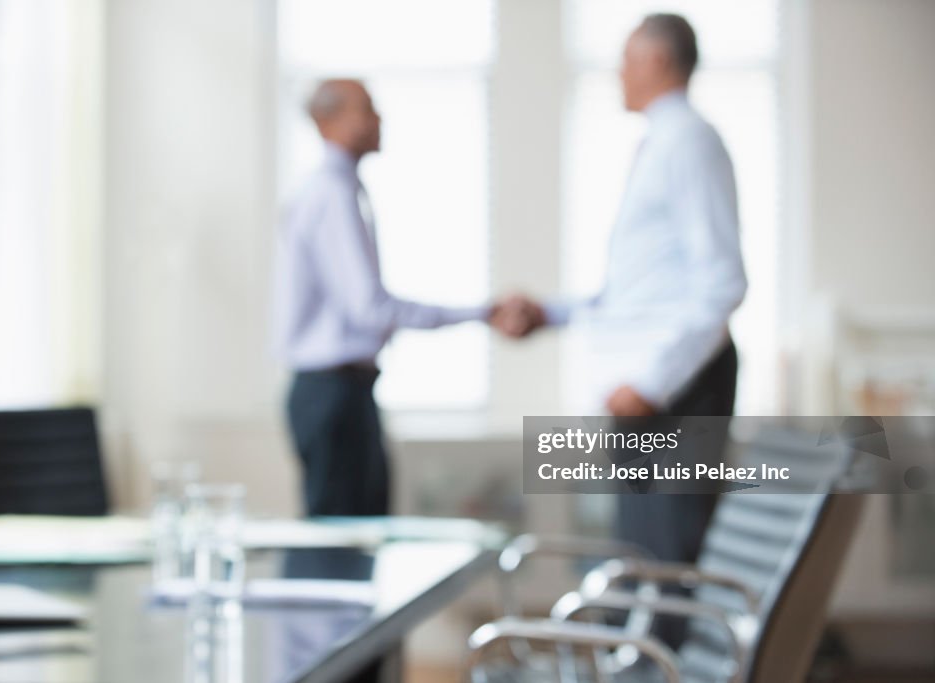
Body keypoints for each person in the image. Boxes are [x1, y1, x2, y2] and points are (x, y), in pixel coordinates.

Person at [495, 13, 747, 647]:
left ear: (660, 62)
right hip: (649, 396)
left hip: (674, 392)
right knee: (640, 559)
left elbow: (722, 284)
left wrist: (652, 384)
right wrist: (550, 313)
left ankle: (661, 669)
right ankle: (642, 665)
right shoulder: (659, 145)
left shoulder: (689, 141)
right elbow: (636, 297)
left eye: (628, 59)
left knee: (665, 562)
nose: (619, 73)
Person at [274, 79, 505, 519]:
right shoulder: (330, 195)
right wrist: (481, 313)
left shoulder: (339, 191)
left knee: (361, 530)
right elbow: (370, 309)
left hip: (345, 390)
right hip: (331, 393)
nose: (379, 119)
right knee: (340, 542)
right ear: (330, 121)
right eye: (367, 109)